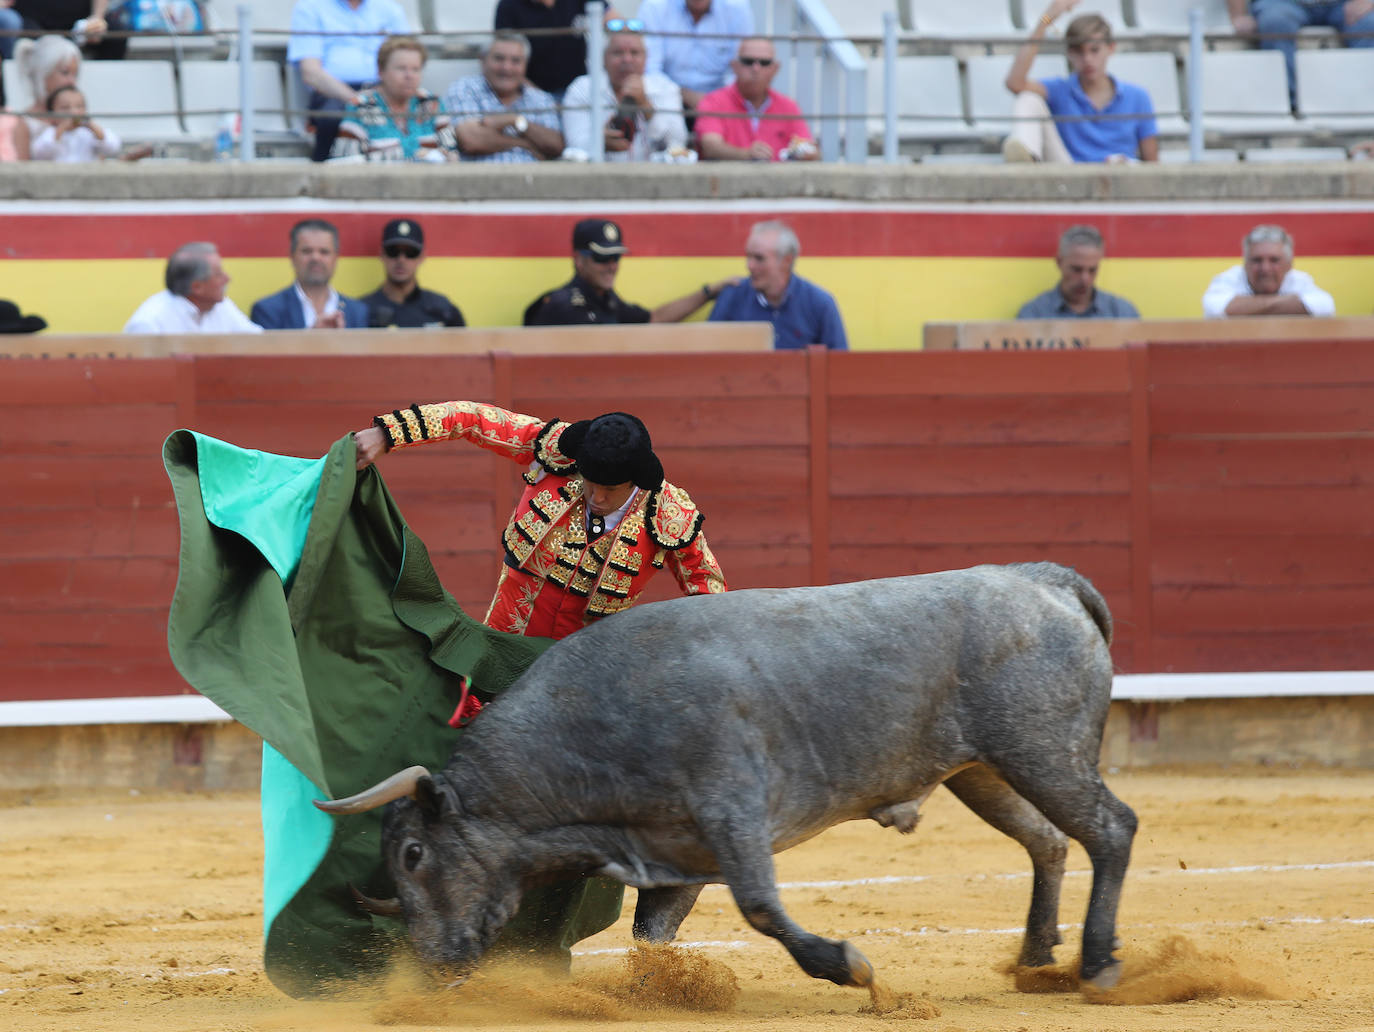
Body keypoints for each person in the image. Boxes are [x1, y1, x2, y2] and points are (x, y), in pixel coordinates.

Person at [352, 402, 726, 968]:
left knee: (576, 815)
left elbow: (708, 593)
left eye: (607, 488)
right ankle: (408, 911)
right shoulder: (554, 451)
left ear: (636, 480)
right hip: (494, 660)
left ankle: (537, 945)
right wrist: (387, 434)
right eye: (588, 482)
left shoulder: (667, 516)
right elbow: (473, 419)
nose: (593, 495)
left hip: (578, 686)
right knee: (431, 766)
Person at [1002, 1, 1158, 164]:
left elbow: (1153, 165)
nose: (1087, 59)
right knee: (1028, 98)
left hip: (1119, 180)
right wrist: (1047, 19)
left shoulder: (1138, 97)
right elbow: (1015, 83)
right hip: (1069, 176)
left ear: (1111, 48)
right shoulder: (1060, 90)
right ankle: (1025, 161)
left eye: (1094, 50)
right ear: (1069, 54)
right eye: (1079, 51)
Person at [524, 218, 736, 325]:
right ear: (580, 260)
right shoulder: (561, 307)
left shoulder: (606, 300)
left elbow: (653, 319)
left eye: (616, 257)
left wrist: (709, 292)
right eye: (603, 258)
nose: (612, 266)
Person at [286, 0, 413, 163]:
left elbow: (410, 58)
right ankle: (323, 175)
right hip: (332, 93)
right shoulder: (309, 7)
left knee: (421, 112)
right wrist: (358, 101)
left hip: (385, 89)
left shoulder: (389, 9)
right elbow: (311, 73)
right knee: (332, 117)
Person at [708, 220, 847, 349]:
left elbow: (839, 366)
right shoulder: (732, 297)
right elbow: (707, 355)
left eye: (759, 258)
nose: (749, 265)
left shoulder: (820, 303)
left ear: (786, 260)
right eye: (748, 257)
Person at [561, 24, 688, 161]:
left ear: (646, 58)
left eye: (634, 53)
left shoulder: (664, 87)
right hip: (598, 177)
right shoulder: (582, 88)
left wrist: (647, 108)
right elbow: (574, 146)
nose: (627, 60)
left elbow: (678, 142)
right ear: (604, 59)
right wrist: (600, 140)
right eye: (618, 53)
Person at [1228, 0, 1374, 108]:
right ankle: (1286, 108)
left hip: (1344, 4)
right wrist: (1238, 15)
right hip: (1281, 4)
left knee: (1370, 24)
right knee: (1275, 22)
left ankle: (1365, 110)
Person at [445, 32, 563, 164]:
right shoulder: (465, 88)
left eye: (515, 61)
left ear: (526, 65)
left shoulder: (540, 98)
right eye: (499, 59)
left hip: (533, 181)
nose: (507, 67)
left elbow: (556, 146)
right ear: (482, 60)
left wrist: (515, 120)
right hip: (480, 180)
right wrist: (524, 143)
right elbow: (470, 140)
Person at [694, 36, 817, 162]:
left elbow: (808, 147)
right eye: (748, 61)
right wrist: (746, 155)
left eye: (764, 63)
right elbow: (710, 147)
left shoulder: (788, 106)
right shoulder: (714, 101)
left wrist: (808, 153)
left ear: (775, 68)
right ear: (735, 66)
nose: (756, 69)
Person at [332, 35, 449, 162]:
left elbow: (451, 151)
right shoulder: (361, 106)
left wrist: (446, 156)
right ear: (381, 71)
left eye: (416, 69)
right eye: (401, 68)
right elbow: (345, 162)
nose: (409, 76)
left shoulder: (431, 103)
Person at [639, 0, 754, 119]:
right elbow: (650, 69)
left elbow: (739, 69)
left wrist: (715, 100)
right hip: (667, 100)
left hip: (722, 103)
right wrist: (681, 94)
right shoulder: (655, 6)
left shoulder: (737, 7)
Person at [250, 218, 370, 330]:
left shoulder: (357, 312)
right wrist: (311, 337)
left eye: (324, 252)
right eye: (307, 251)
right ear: (292, 256)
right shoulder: (268, 310)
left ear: (336, 258)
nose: (315, 258)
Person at [493, 0, 622, 100]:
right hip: (532, 95)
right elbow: (506, 60)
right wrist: (539, 98)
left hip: (578, 93)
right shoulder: (508, 6)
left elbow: (614, 22)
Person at [124, 242, 263, 334]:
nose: (227, 279)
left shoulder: (222, 306)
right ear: (197, 287)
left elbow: (260, 344)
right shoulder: (149, 322)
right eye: (218, 274)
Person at [1202, 224, 1336, 318]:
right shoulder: (1229, 278)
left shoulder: (1298, 279)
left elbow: (1324, 306)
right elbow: (1215, 309)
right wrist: (1290, 303)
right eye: (1257, 260)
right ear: (1245, 264)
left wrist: (1247, 307)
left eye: (1274, 260)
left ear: (1289, 265)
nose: (1265, 269)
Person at [1016, 225, 1140, 319]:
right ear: (1059, 262)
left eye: (1092, 270)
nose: (1084, 279)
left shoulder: (1122, 313)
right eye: (1077, 269)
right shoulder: (1034, 314)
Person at [360, 218, 466, 328]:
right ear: (382, 254)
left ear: (422, 257)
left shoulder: (443, 310)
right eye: (393, 251)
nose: (401, 260)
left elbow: (464, 344)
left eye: (411, 253)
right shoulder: (362, 311)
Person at [4, 34, 80, 161]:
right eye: (65, 72)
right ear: (43, 73)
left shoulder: (78, 116)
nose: (72, 81)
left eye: (75, 74)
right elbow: (21, 173)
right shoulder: (24, 123)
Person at [29, 83, 120, 162]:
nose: (74, 112)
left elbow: (112, 148)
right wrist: (61, 130)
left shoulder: (90, 133)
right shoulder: (50, 133)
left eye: (79, 107)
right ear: (51, 115)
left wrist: (94, 128)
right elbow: (39, 153)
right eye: (65, 108)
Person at [11, 0, 126, 61]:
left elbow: (98, 18)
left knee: (116, 33)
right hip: (31, 17)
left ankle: (104, 85)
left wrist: (97, 18)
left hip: (79, 18)